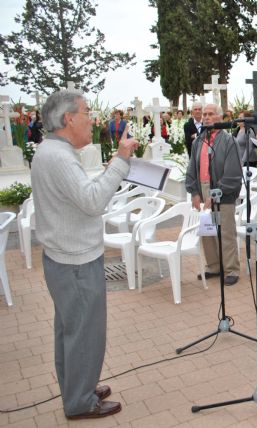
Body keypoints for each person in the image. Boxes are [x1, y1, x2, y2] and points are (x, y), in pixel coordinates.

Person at [31, 90, 139, 419]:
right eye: (87, 113)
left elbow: (78, 195)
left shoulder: (51, 151)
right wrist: (120, 161)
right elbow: (92, 201)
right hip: (75, 262)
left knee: (71, 330)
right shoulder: (60, 157)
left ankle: (78, 386)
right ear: (68, 119)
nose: (92, 120)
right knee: (84, 333)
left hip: (65, 257)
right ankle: (80, 402)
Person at [185, 103, 242, 286]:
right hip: (203, 189)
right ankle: (214, 266)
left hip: (222, 191)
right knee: (207, 230)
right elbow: (192, 167)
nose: (206, 117)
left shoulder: (228, 141)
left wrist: (217, 192)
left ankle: (231, 269)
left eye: (211, 114)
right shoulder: (198, 140)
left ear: (219, 117)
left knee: (225, 231)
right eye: (204, 114)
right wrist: (194, 191)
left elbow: (233, 172)